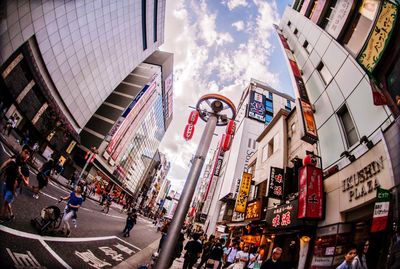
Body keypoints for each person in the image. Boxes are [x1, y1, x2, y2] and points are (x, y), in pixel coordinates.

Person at [0, 145, 32, 221]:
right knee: (7, 202)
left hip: (13, 189)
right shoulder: (14, 158)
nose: (27, 155)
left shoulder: (25, 168)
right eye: (26, 152)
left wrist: (21, 176)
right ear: (22, 151)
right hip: (7, 183)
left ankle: (1, 217)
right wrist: (3, 166)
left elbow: (27, 183)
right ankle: (11, 214)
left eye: (28, 154)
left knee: (5, 203)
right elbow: (5, 163)